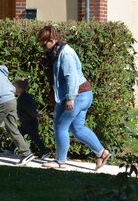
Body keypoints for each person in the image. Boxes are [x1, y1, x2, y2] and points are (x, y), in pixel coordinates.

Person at [38, 26, 110, 169]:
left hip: (77, 95)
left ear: (52, 40)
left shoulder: (66, 53)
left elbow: (71, 77)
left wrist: (71, 98)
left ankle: (60, 162)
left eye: (43, 43)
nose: (42, 47)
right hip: (84, 94)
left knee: (60, 126)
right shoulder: (58, 52)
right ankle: (102, 152)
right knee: (77, 129)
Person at [3, 78, 51, 159]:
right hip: (26, 121)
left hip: (30, 122)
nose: (12, 89)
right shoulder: (24, 97)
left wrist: (36, 115)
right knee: (19, 134)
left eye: (14, 88)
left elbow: (30, 108)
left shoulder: (23, 99)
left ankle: (45, 151)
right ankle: (11, 148)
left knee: (34, 137)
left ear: (20, 89)